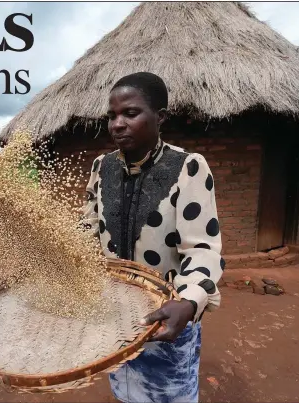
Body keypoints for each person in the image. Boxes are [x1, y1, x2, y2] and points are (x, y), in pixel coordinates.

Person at [81, 72, 224, 403]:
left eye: (130, 113)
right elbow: (88, 227)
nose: (118, 124)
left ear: (160, 117)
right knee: (125, 385)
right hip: (114, 311)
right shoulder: (101, 168)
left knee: (168, 394)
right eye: (112, 116)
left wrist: (188, 303)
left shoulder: (187, 167)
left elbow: (203, 247)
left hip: (167, 316)